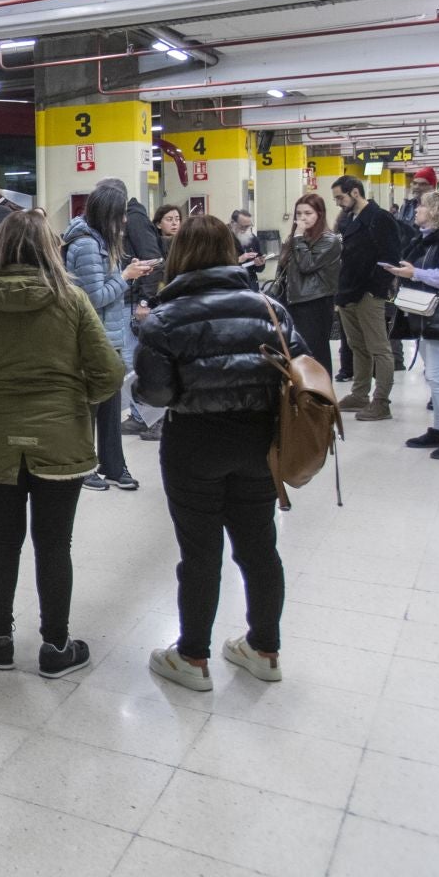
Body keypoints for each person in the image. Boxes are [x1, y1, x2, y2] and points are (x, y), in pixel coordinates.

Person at [0, 210, 124, 675]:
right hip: (61, 438)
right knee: (54, 544)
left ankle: (0, 640)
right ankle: (55, 648)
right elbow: (110, 373)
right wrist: (75, 401)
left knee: (0, 538)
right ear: (49, 248)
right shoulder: (72, 300)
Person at [135, 215, 309, 691]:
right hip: (261, 440)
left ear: (180, 256)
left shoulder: (165, 318)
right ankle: (265, 649)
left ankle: (192, 657)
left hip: (194, 441)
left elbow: (154, 393)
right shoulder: (270, 309)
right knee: (259, 547)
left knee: (199, 552)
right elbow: (301, 372)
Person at [61, 182, 154, 491]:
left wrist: (127, 274)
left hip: (108, 338)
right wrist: (126, 277)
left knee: (112, 408)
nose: (125, 221)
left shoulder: (100, 240)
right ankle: (85, 467)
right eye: (120, 215)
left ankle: (114, 465)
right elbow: (93, 297)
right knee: (89, 408)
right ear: (107, 214)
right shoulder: (86, 244)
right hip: (91, 340)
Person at [383, 190, 439, 461]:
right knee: (433, 376)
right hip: (425, 316)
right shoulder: (426, 241)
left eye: (422, 206)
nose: (417, 211)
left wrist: (415, 273)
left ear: (436, 211)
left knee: (438, 377)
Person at [330, 175, 403, 421]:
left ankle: (381, 401)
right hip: (349, 292)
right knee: (356, 345)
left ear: (355, 192)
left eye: (340, 197)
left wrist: (375, 289)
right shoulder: (349, 220)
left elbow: (391, 258)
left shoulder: (380, 218)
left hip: (369, 294)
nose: (338, 203)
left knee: (379, 348)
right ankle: (359, 394)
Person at [122, 202, 182, 441]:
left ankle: (155, 417)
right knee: (133, 361)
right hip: (153, 303)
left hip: (157, 306)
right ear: (158, 223)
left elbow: (154, 266)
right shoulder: (154, 239)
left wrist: (145, 302)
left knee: (141, 360)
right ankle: (142, 415)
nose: (175, 222)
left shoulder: (137, 225)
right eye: (169, 218)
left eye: (177, 218)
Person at [276, 194, 340, 371]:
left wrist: (297, 238)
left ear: (319, 214)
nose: (302, 218)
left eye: (308, 213)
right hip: (292, 301)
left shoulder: (329, 240)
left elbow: (307, 265)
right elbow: (283, 269)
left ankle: (321, 395)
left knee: (315, 352)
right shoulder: (293, 240)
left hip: (315, 301)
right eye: (299, 213)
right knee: (295, 352)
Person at [229, 210, 268, 277]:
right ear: (233, 223)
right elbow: (217, 264)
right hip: (231, 281)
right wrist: (238, 260)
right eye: (242, 226)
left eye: (248, 226)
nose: (245, 229)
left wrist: (260, 264)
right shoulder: (224, 238)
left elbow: (259, 269)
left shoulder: (253, 239)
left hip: (250, 281)